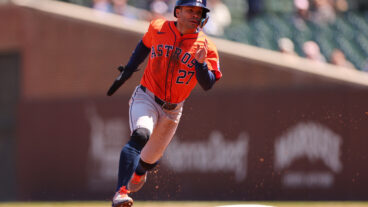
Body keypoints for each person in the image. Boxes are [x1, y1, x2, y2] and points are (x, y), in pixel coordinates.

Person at [106, 0, 222, 206]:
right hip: (147, 96)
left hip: (173, 110)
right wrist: (128, 71)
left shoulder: (207, 46)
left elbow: (208, 84)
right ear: (177, 11)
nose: (195, 14)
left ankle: (140, 170)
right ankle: (120, 193)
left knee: (149, 161)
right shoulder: (158, 27)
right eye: (190, 9)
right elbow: (144, 45)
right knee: (141, 134)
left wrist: (201, 64)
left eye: (199, 11)